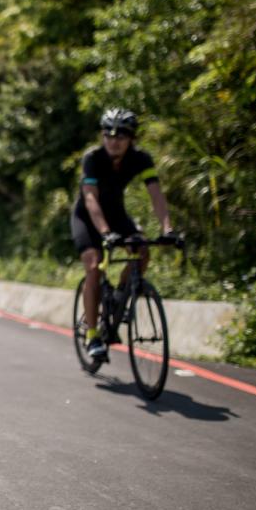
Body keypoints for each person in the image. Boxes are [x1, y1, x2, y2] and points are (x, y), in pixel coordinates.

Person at [70, 108, 175, 359]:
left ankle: (119, 298)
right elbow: (90, 199)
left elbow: (156, 196)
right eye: (108, 135)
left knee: (142, 251)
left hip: (116, 214)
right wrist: (105, 233)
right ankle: (93, 335)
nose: (114, 141)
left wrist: (168, 228)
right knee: (95, 266)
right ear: (102, 136)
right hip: (87, 216)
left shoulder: (141, 159)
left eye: (121, 136)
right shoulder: (93, 158)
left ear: (132, 139)